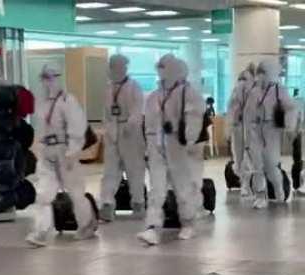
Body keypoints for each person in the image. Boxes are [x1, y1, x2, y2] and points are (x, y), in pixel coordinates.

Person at [25, 63, 97, 247]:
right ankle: (40, 231)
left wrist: (73, 152)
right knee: (44, 194)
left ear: (58, 78)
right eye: (44, 78)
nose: (47, 82)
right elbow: (41, 127)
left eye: (51, 77)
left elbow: (77, 127)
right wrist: (39, 146)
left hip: (64, 151)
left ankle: (87, 225)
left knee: (75, 193)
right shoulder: (41, 102)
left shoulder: (68, 101)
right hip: (47, 151)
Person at [138, 54, 205, 245]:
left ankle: (188, 223)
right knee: (156, 189)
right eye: (159, 67)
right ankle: (152, 227)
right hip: (156, 148)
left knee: (182, 188)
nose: (161, 72)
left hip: (178, 147)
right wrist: (148, 147)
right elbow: (148, 124)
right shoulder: (154, 96)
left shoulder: (187, 93)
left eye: (164, 67)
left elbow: (193, 120)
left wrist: (188, 141)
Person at [245, 58, 297, 209]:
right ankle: (260, 195)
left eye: (263, 72)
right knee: (257, 165)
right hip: (256, 129)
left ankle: (279, 190)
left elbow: (291, 108)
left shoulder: (279, 90)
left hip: (271, 130)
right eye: (259, 72)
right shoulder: (254, 91)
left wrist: (289, 125)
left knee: (271, 164)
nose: (260, 75)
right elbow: (248, 113)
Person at [99, 54, 146, 222]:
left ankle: (138, 203)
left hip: (130, 133)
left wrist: (130, 125)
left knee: (134, 170)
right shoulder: (108, 88)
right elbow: (106, 112)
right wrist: (108, 129)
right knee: (110, 171)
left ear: (123, 68)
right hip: (113, 131)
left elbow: (138, 109)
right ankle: (106, 204)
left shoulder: (134, 87)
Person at [226, 64, 255, 197]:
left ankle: (245, 183)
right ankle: (245, 184)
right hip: (245, 127)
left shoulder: (238, 89)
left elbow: (231, 109)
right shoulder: (251, 88)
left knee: (241, 156)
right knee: (246, 156)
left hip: (241, 126)